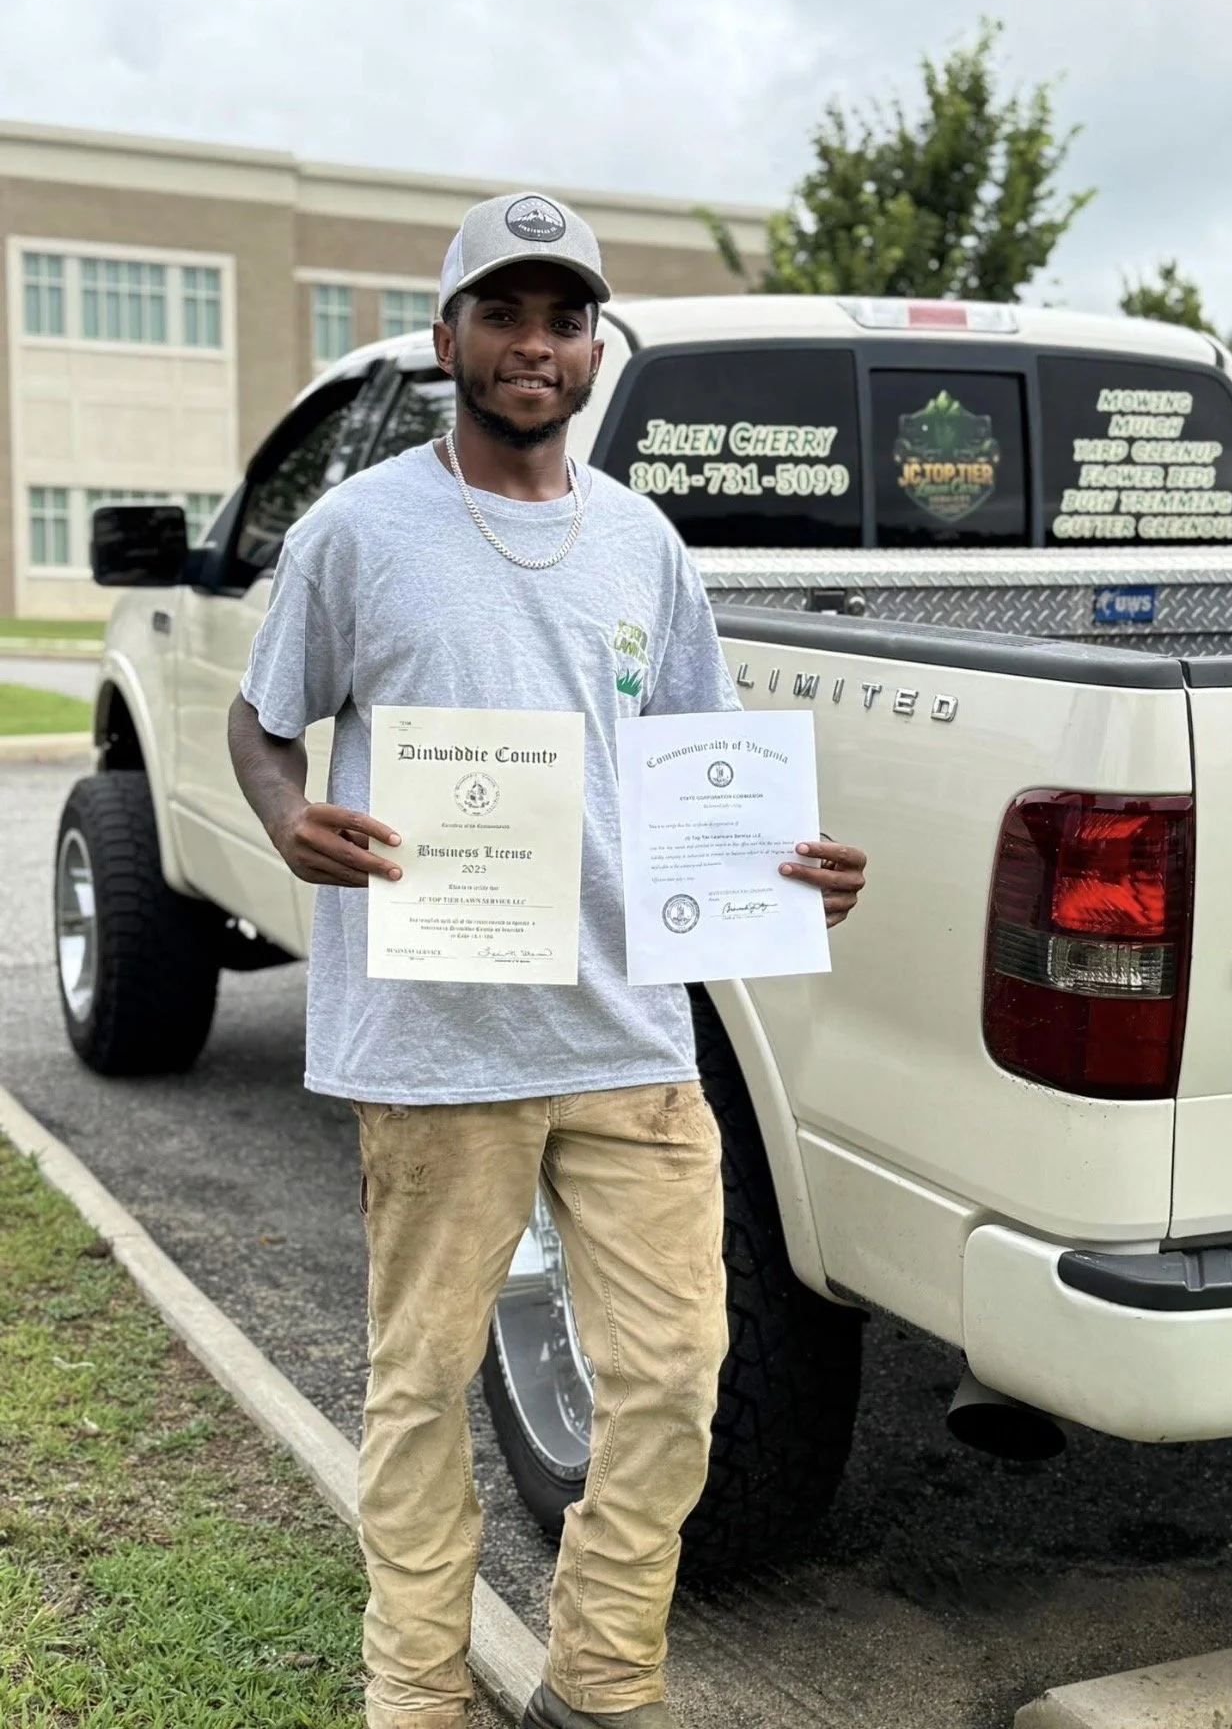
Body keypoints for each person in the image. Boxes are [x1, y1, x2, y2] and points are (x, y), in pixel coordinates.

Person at [228, 192, 867, 1729]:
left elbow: (696, 764)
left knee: (670, 1379)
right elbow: (262, 723)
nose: (535, 345)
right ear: (448, 338)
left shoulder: (644, 541)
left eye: (564, 317)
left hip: (632, 1043)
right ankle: (419, 1694)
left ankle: (598, 1680)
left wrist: (788, 870)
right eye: (504, 315)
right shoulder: (358, 529)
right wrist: (292, 818)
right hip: (437, 1045)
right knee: (419, 1393)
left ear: (596, 346)